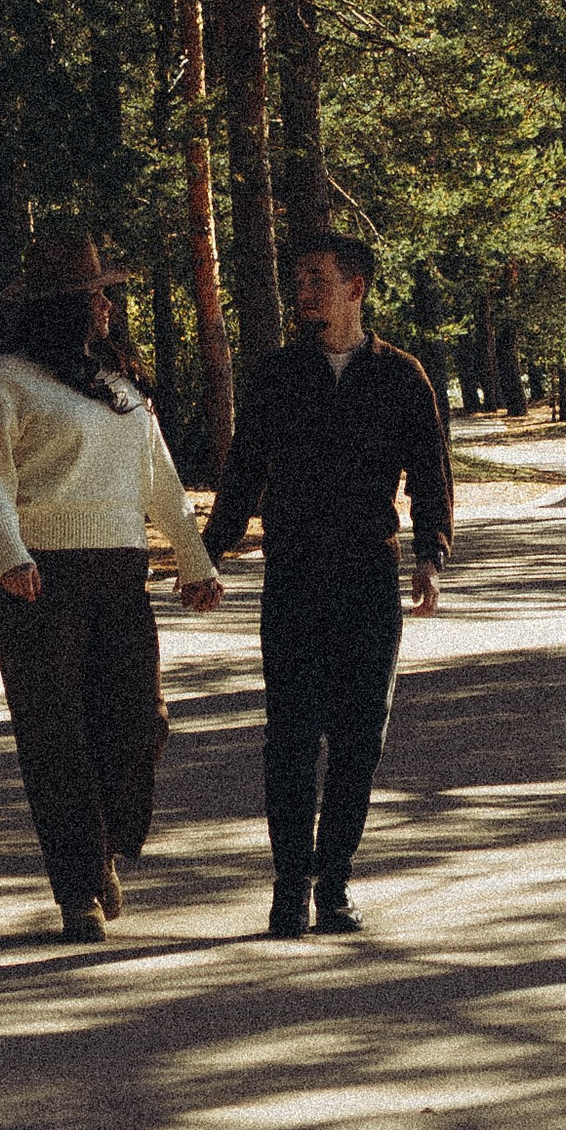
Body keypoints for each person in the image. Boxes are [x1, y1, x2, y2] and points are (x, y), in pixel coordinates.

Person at [0, 228, 225, 945]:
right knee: (57, 736)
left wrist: (194, 561)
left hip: (120, 573)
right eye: (97, 294)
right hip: (37, 579)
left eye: (108, 292)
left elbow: (160, 481)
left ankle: (102, 844)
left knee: (141, 724)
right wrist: (9, 553)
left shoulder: (119, 387)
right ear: (63, 305)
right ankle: (78, 889)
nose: (109, 304)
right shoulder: (2, 382)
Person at [203, 231, 452, 939]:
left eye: (315, 280)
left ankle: (333, 884)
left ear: (355, 288)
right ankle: (288, 887)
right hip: (295, 579)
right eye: (298, 280)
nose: (301, 293)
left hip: (369, 581)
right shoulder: (278, 375)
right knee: (290, 736)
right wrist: (209, 553)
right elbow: (243, 472)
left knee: (358, 739)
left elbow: (432, 477)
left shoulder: (402, 376)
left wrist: (430, 557)